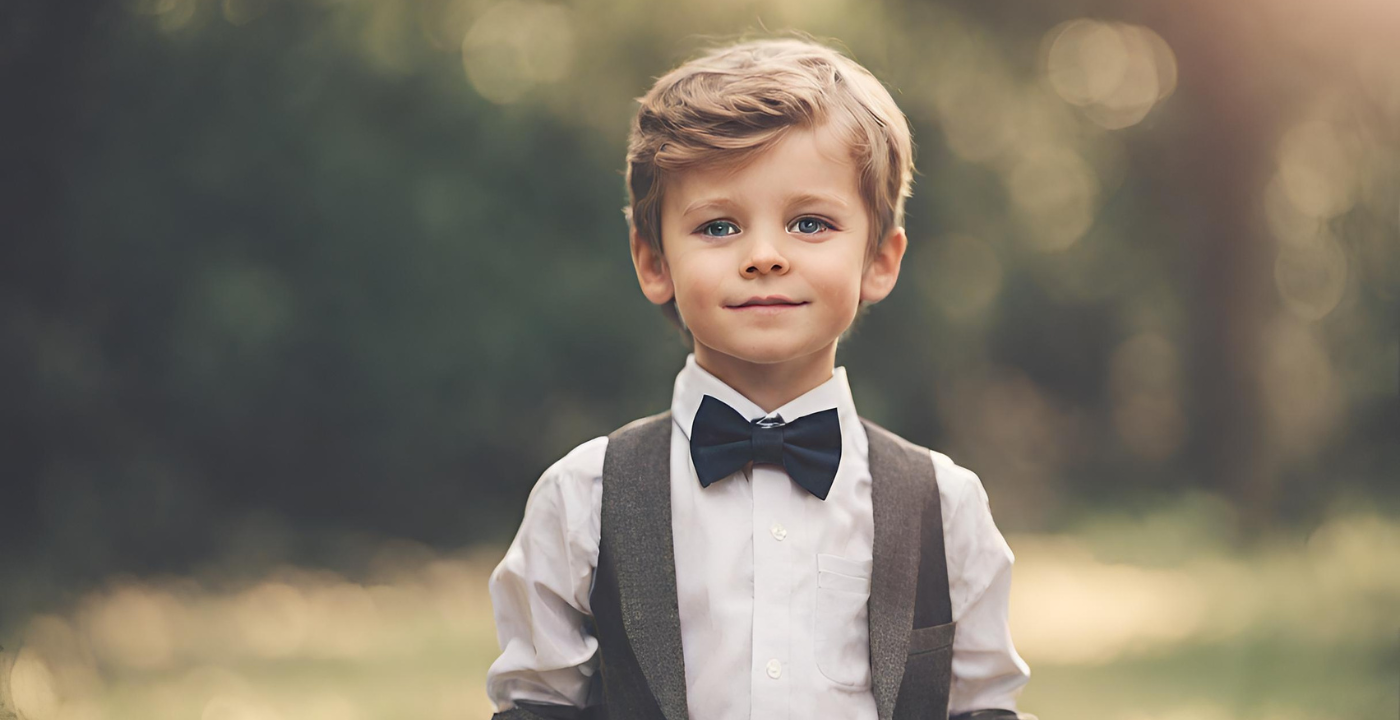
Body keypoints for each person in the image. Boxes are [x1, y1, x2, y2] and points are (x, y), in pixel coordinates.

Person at [485, 33, 1034, 720]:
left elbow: (982, 706)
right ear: (654, 262)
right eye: (718, 227)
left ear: (879, 261)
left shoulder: (945, 507)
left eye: (810, 223)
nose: (765, 256)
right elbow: (538, 702)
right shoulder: (582, 500)